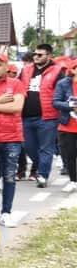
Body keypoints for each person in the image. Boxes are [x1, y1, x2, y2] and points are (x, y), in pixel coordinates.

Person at [0, 53, 25, 226]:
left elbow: (17, 107)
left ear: (6, 66)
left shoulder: (16, 84)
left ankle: (7, 211)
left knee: (9, 176)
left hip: (12, 137)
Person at [20, 43, 66, 187]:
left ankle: (43, 175)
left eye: (40, 55)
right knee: (29, 147)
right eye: (35, 54)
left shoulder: (58, 71)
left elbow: (62, 92)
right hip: (26, 116)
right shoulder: (26, 70)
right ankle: (42, 167)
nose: (36, 57)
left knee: (46, 148)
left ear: (49, 56)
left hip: (48, 117)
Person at [53, 60, 77, 192]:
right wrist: (71, 105)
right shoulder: (63, 84)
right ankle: (73, 180)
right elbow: (56, 102)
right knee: (70, 155)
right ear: (72, 70)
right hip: (68, 125)